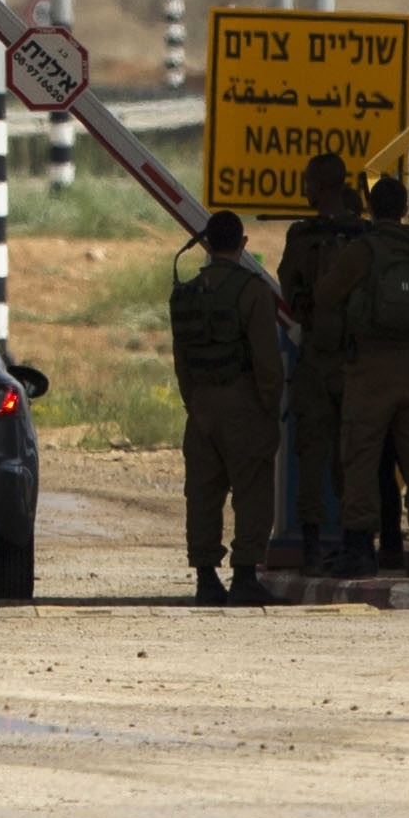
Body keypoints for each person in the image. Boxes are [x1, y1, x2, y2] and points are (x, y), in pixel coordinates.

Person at [314, 168, 409, 573]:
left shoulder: (364, 251)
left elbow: (325, 296)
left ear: (372, 208)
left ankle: (359, 547)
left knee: (360, 455)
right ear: (407, 208)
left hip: (371, 369)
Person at [165, 208, 293, 604]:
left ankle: (206, 578)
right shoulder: (252, 291)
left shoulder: (186, 292)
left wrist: (196, 403)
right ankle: (244, 575)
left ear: (206, 244)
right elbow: (266, 360)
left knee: (203, 493)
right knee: (252, 490)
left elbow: (181, 362)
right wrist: (270, 407)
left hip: (200, 405)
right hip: (244, 404)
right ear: (243, 245)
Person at [276, 152, 362, 570]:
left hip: (315, 360)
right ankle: (354, 544)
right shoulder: (365, 236)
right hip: (358, 363)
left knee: (311, 455)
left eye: (308, 182)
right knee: (355, 456)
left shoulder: (302, 237)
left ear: (319, 185)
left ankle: (311, 547)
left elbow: (288, 292)